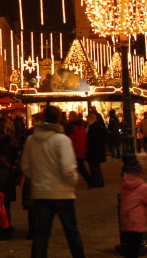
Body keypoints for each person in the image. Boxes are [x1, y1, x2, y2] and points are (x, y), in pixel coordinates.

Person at [20, 106, 86, 258]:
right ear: (58, 119)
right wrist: (71, 182)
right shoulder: (61, 139)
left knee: (41, 233)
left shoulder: (31, 140)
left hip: (41, 192)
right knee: (71, 231)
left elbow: (25, 166)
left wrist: (38, 178)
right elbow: (68, 168)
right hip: (62, 192)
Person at [117, 160, 147, 258]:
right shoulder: (143, 187)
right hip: (136, 220)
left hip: (126, 218)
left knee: (131, 245)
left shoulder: (125, 184)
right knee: (135, 247)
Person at [65, 113, 92, 187]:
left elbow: (70, 137)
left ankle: (90, 180)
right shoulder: (82, 126)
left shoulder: (71, 126)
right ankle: (90, 180)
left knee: (79, 167)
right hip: (81, 149)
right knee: (80, 166)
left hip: (74, 149)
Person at [84, 112, 107, 188]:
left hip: (94, 149)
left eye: (87, 119)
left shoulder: (93, 127)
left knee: (94, 166)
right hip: (96, 149)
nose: (86, 120)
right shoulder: (97, 126)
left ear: (91, 119)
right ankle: (98, 181)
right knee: (95, 166)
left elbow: (91, 138)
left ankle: (98, 182)